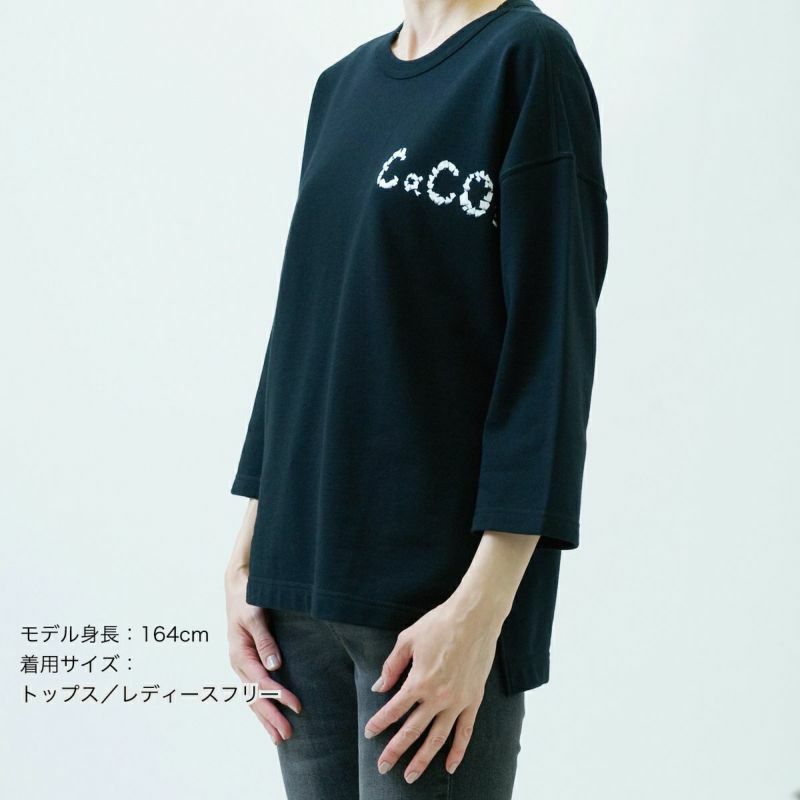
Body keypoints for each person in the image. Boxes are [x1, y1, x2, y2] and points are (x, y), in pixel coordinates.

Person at [224, 0, 608, 797]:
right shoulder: (341, 87)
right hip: (297, 588)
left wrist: (481, 610)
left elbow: (551, 350)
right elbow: (303, 325)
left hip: (436, 601)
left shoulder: (527, 61)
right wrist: (246, 555)